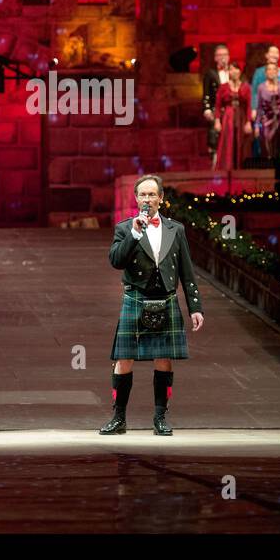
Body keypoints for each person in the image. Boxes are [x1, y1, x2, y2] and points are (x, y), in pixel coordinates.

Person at [101, 174, 204, 436]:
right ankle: (118, 418)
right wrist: (135, 234)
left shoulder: (176, 230)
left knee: (164, 359)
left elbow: (187, 271)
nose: (147, 199)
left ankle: (160, 417)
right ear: (136, 199)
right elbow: (116, 261)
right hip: (136, 298)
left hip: (166, 298)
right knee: (123, 359)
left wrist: (195, 307)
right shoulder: (126, 228)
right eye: (143, 195)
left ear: (161, 198)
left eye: (152, 194)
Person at [251, 62, 280, 160]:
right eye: (269, 69)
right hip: (267, 120)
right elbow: (259, 108)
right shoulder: (261, 87)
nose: (271, 72)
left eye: (274, 69)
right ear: (265, 73)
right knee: (267, 145)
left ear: (277, 72)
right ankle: (269, 166)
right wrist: (256, 126)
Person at [211, 62, 250, 171]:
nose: (234, 72)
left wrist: (248, 122)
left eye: (236, 69)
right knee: (228, 141)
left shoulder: (246, 87)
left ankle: (240, 167)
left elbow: (248, 106)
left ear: (240, 71)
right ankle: (228, 168)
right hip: (228, 116)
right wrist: (217, 121)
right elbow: (218, 105)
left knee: (240, 141)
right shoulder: (223, 87)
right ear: (229, 72)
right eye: (231, 69)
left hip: (241, 116)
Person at [202, 44, 230, 164]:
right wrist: (206, 109)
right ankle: (214, 156)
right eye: (219, 55)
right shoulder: (210, 74)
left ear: (228, 57)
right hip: (216, 109)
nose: (222, 58)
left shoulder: (234, 71)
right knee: (214, 131)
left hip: (231, 109)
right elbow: (206, 93)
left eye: (224, 55)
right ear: (215, 58)